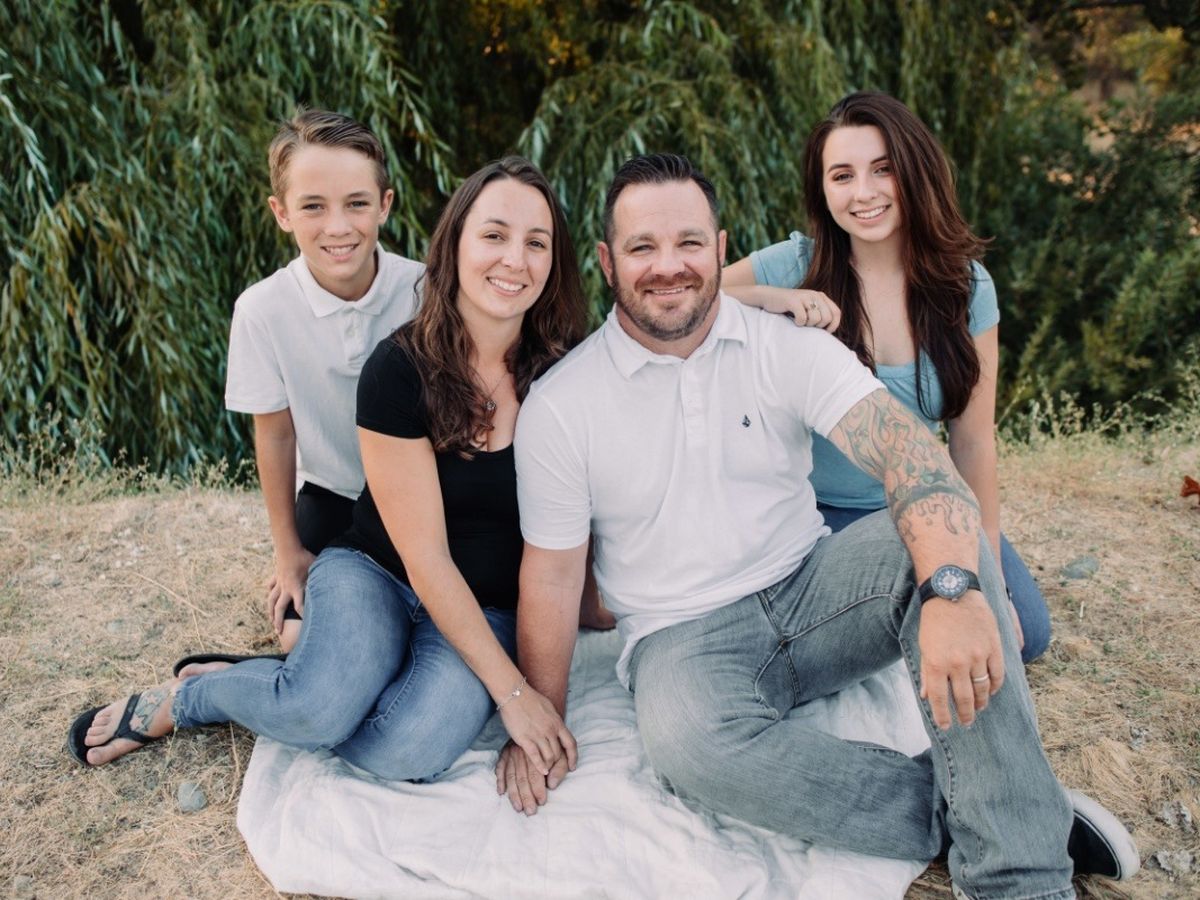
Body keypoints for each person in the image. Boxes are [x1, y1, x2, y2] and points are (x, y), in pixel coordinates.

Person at [496, 154, 1138, 899]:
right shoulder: (564, 403)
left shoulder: (785, 345)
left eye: (689, 243)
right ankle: (1012, 809)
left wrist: (953, 591)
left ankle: (1019, 877)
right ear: (608, 261)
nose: (668, 266)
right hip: (682, 639)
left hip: (813, 587)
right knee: (686, 746)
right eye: (643, 247)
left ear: (720, 247)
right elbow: (552, 576)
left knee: (946, 539)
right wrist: (539, 717)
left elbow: (914, 461)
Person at [69, 156, 588, 785]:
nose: (514, 260)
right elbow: (424, 558)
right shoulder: (399, 368)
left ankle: (290, 679)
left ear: (554, 262)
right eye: (494, 235)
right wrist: (512, 695)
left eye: (537, 243)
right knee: (316, 709)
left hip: (489, 604)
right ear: (455, 243)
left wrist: (537, 695)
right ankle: (197, 698)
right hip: (379, 570)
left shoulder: (568, 374)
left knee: (409, 750)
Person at [722, 91, 1050, 663]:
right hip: (813, 516)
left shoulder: (967, 287)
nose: (864, 193)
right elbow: (683, 304)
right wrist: (772, 298)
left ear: (915, 172)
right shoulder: (795, 266)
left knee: (1025, 634)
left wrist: (991, 571)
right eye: (842, 176)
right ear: (823, 190)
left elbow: (973, 443)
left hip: (925, 500)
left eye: (882, 169)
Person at [224, 108, 423, 654]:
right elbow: (276, 435)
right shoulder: (262, 310)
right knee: (295, 637)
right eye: (313, 206)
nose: (338, 227)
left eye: (356, 203)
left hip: (424, 492)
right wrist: (287, 551)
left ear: (384, 205)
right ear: (282, 213)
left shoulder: (425, 292)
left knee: (434, 621)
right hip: (333, 493)